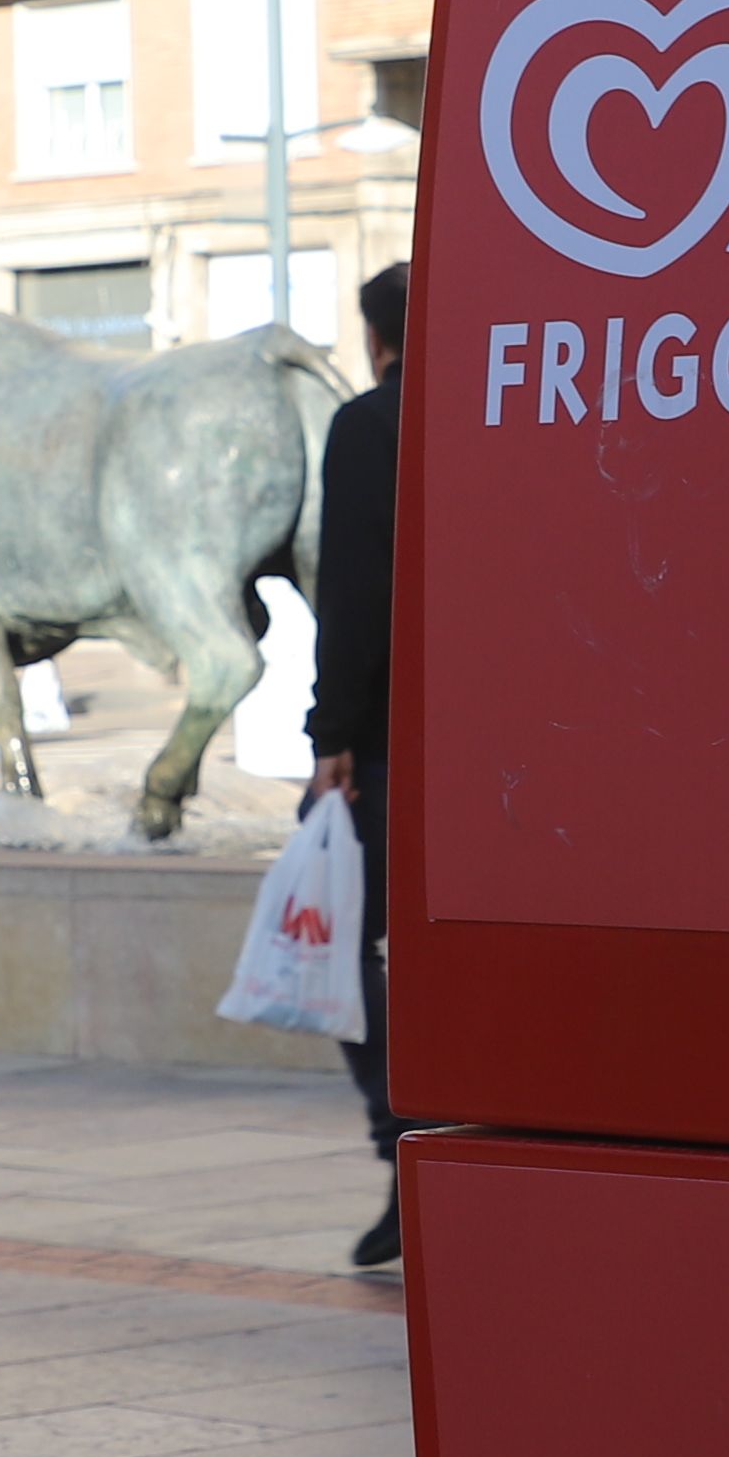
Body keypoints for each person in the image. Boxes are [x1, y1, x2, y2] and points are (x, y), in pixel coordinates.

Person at [307, 260, 409, 1270]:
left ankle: (402, 1139)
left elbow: (351, 591)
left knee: (341, 940)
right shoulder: (500, 414)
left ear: (376, 342)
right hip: (494, 744)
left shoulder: (370, 425)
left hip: (385, 742)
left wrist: (328, 732)